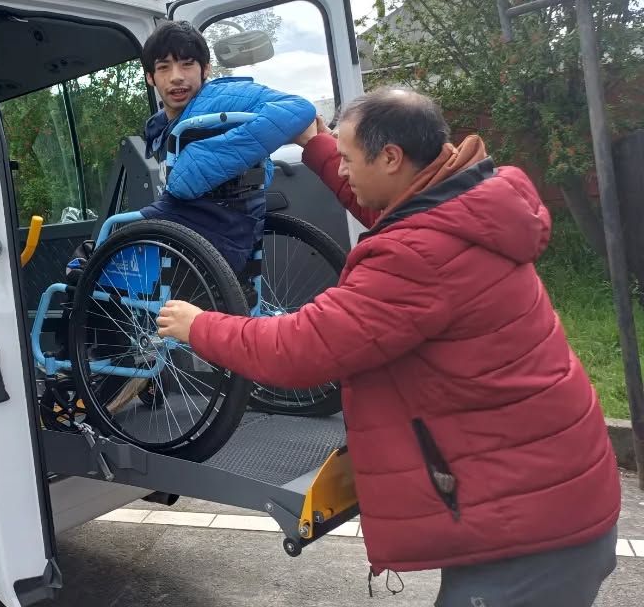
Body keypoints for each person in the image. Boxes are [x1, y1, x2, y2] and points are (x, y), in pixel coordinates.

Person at [157, 87, 622, 607]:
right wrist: (317, 144)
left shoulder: (419, 257)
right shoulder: (461, 198)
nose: (346, 170)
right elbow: (385, 201)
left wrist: (199, 327)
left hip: (528, 535)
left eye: (350, 157)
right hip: (543, 497)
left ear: (392, 157)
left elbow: (303, 346)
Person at [69, 19, 317, 282]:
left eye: (187, 64)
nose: (176, 76)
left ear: (206, 69)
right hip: (186, 229)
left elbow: (298, 108)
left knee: (88, 266)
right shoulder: (162, 127)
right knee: (87, 261)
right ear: (150, 78)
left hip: (214, 237)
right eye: (164, 67)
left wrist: (202, 160)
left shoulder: (221, 97)